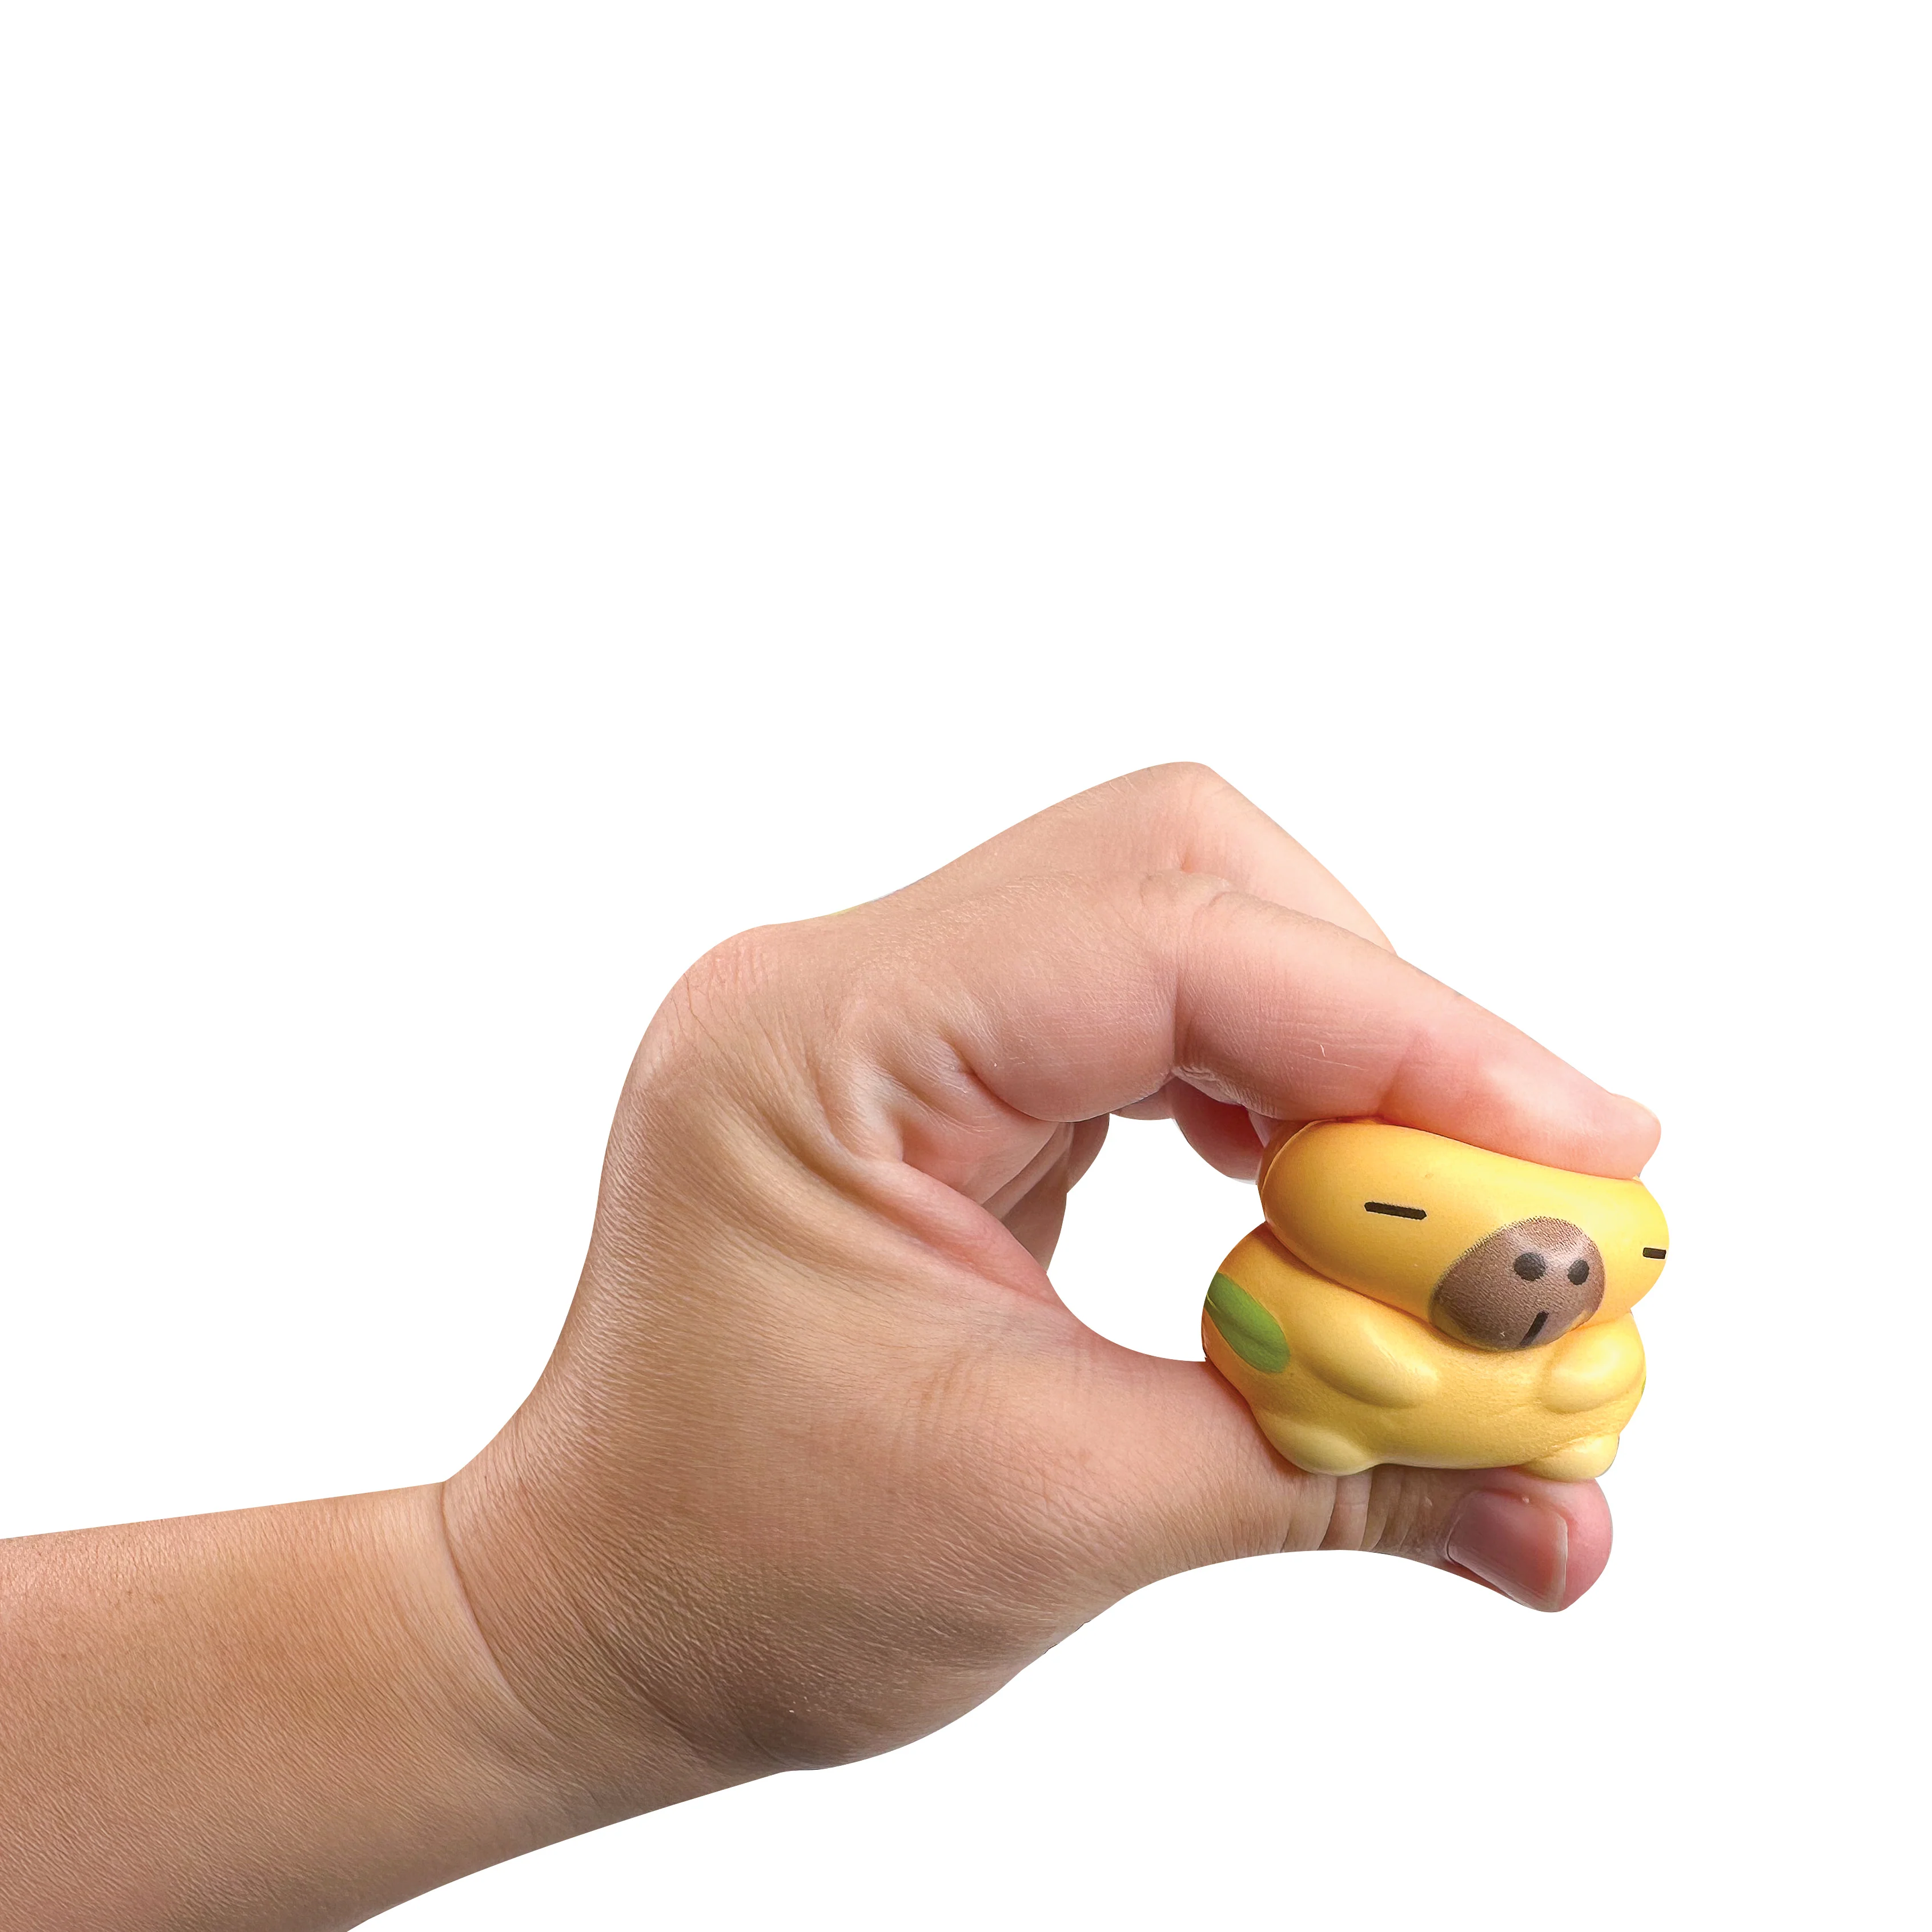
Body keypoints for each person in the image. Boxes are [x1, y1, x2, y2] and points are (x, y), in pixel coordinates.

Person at [0, 766, 1658, 1928]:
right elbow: (1308, 1347)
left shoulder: (1550, 1317)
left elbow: (1594, 1375)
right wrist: (546, 1631)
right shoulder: (1305, 1278)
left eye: (1580, 1255)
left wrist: (517, 1623)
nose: (1537, 1268)